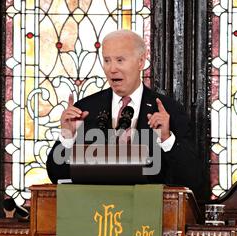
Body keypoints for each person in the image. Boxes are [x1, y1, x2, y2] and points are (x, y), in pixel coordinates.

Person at [46, 29, 200, 191]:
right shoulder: (84, 110)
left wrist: (167, 139)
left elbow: (191, 179)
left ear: (140, 62)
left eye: (120, 60)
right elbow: (57, 175)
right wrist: (67, 137)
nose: (112, 69)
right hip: (97, 212)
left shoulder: (168, 111)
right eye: (107, 60)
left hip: (149, 210)